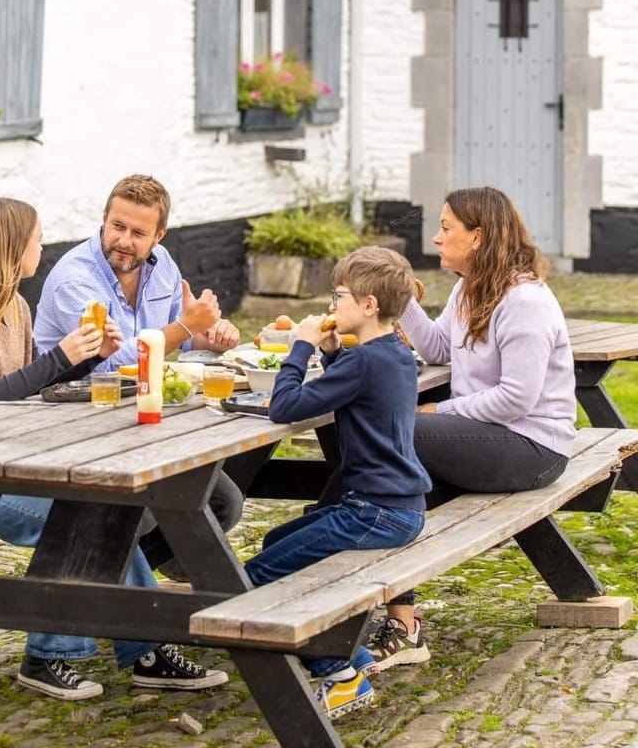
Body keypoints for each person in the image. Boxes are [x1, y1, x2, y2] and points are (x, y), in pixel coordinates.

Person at [0, 196, 229, 701]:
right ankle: (56, 655)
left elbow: (28, 389)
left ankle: (145, 649)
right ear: (12, 249)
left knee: (105, 506)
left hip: (0, 463)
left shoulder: (14, 306)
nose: (41, 248)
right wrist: (61, 357)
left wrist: (82, 359)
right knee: (75, 516)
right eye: (35, 239)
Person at [367, 186, 575, 672]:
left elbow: (517, 398)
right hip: (494, 435)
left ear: (477, 237)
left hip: (534, 445)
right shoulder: (470, 287)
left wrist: (439, 414)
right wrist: (400, 293)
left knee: (397, 434)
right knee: (391, 475)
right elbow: (440, 348)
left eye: (446, 228)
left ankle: (336, 536)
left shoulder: (524, 300)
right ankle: (400, 621)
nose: (437, 239)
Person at [244, 246, 430, 720]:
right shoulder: (392, 352)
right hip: (398, 506)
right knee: (276, 539)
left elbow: (283, 407)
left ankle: (339, 675)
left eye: (338, 296)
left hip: (374, 512)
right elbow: (354, 390)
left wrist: (301, 347)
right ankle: (355, 657)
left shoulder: (364, 360)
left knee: (256, 579)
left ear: (369, 305)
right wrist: (329, 355)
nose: (331, 307)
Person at [34, 174, 244, 573]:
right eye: (117, 226)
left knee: (222, 502)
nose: (124, 241)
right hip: (76, 423)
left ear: (159, 235)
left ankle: (112, 577)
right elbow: (109, 363)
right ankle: (108, 590)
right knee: (140, 509)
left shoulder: (162, 267)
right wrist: (185, 326)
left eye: (138, 232)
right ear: (104, 218)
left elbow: (175, 342)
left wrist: (206, 338)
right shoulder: (74, 279)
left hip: (142, 420)